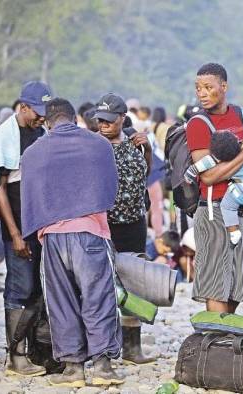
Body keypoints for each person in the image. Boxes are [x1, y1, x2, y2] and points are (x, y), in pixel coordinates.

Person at [21, 98, 123, 387]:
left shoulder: (34, 152)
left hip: (52, 236)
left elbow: (31, 196)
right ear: (75, 118)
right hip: (90, 230)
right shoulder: (98, 144)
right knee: (98, 296)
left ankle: (73, 369)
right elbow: (110, 189)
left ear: (49, 121)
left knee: (61, 301)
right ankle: (102, 366)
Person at [186, 63, 243, 313]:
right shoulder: (198, 124)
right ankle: (216, 343)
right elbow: (209, 177)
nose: (202, 93)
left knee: (237, 283)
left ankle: (223, 339)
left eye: (208, 87)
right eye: (198, 88)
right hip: (215, 210)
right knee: (216, 284)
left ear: (223, 87)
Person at [0, 81, 52, 377]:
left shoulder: (42, 133)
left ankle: (37, 349)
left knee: (39, 287)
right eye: (36, 112)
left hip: (40, 226)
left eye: (43, 113)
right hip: (18, 226)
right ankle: (16, 355)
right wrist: (14, 234)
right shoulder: (4, 136)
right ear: (22, 107)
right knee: (19, 287)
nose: (40, 118)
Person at [94, 93, 154, 365]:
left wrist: (149, 149)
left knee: (133, 284)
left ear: (122, 119)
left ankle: (132, 347)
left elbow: (145, 174)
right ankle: (105, 346)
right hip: (104, 225)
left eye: (109, 120)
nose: (104, 125)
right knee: (102, 283)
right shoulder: (93, 144)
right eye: (100, 120)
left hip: (134, 224)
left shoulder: (134, 141)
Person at [185, 130, 243, 246]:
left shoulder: (225, 158)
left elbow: (202, 165)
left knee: (228, 206)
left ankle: (234, 232)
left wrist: (189, 174)